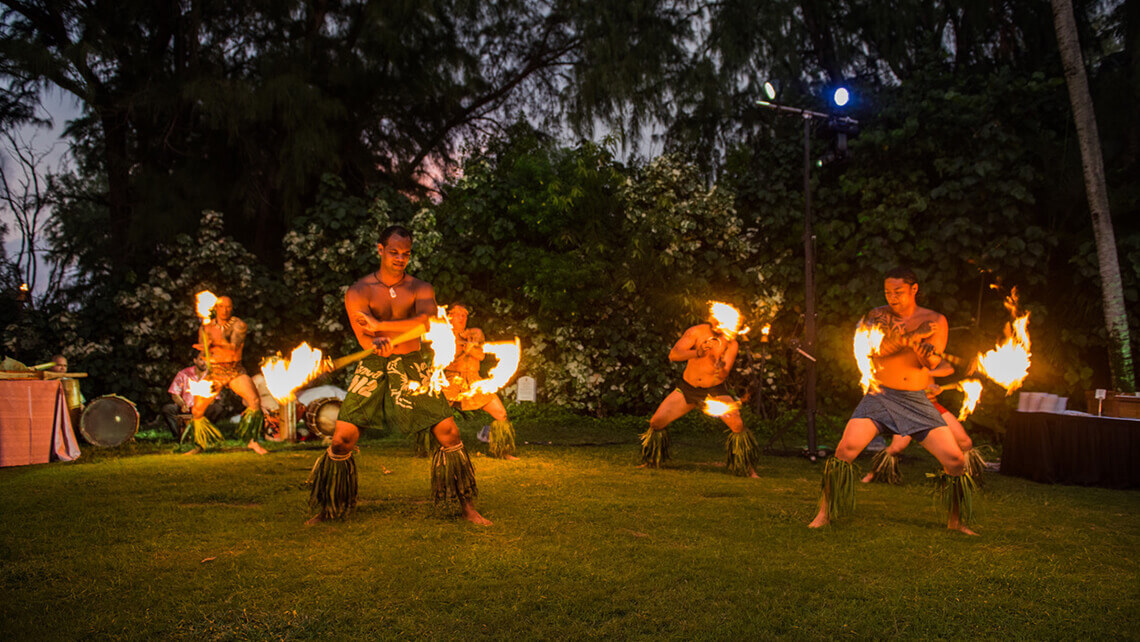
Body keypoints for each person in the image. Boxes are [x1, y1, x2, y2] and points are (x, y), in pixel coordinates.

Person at [306, 225, 491, 526]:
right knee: (341, 440)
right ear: (380, 249)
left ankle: (467, 507)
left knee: (450, 434)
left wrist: (380, 325)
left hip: (412, 365)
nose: (400, 259)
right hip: (373, 367)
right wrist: (373, 341)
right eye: (394, 252)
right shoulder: (359, 291)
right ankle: (329, 508)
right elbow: (363, 333)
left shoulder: (421, 288)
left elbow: (424, 323)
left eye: (406, 254)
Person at [808, 268, 977, 534]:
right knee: (844, 451)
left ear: (914, 289)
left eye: (898, 292)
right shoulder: (878, 315)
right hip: (881, 396)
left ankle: (956, 521)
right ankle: (824, 514)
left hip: (917, 400)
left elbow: (931, 362)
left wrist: (925, 354)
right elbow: (876, 350)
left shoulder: (935, 320)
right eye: (888, 292)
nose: (893, 298)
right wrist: (912, 337)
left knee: (955, 460)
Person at [639, 305, 760, 477]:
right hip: (688, 389)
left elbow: (725, 372)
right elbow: (674, 355)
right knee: (656, 423)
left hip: (715, 391)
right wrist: (697, 352)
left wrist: (720, 366)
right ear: (713, 318)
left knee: (738, 425)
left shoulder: (731, 343)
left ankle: (747, 468)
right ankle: (651, 460)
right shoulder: (696, 332)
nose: (719, 324)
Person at [861, 363, 987, 484]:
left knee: (965, 442)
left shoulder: (930, 356)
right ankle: (873, 473)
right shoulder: (902, 358)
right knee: (896, 448)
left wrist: (928, 374)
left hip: (932, 406)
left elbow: (948, 369)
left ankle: (966, 478)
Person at [184, 295, 267, 455]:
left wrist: (213, 343)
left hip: (234, 370)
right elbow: (204, 351)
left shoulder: (239, 325)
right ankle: (199, 444)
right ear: (216, 308)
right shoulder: (205, 328)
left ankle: (254, 442)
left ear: (232, 308)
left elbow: (234, 346)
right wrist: (204, 348)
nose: (225, 310)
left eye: (228, 307)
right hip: (215, 372)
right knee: (197, 411)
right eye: (222, 307)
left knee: (254, 401)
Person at [440, 303, 519, 460]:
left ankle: (502, 451)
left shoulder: (475, 333)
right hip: (451, 381)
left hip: (474, 381)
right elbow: (447, 357)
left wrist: (470, 348)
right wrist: (461, 345)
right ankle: (430, 449)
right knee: (436, 416)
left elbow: (481, 356)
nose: (462, 318)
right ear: (450, 316)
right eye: (458, 314)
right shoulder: (443, 334)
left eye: (465, 315)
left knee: (501, 413)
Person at [161, 351, 225, 440]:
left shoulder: (212, 375)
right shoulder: (183, 374)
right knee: (167, 409)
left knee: (217, 408)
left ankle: (204, 434)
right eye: (201, 360)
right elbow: (174, 393)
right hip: (186, 408)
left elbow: (214, 397)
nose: (205, 363)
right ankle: (181, 436)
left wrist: (203, 405)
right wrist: (183, 404)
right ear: (195, 360)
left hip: (203, 408)